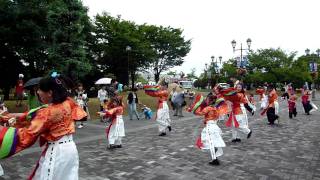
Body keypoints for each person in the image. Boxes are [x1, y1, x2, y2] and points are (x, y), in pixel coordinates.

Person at [0, 73, 87, 180]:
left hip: (57, 151)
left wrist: (3, 132)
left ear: (50, 93)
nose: (37, 92)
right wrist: (5, 116)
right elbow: (29, 115)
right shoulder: (68, 102)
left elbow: (26, 135)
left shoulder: (47, 112)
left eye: (40, 89)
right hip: (70, 149)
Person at [188, 93, 227, 166]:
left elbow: (199, 113)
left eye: (207, 99)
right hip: (215, 126)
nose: (206, 100)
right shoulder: (215, 108)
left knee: (211, 143)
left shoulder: (208, 108)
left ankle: (214, 159)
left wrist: (194, 108)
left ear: (210, 101)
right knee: (213, 142)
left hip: (210, 126)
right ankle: (215, 157)